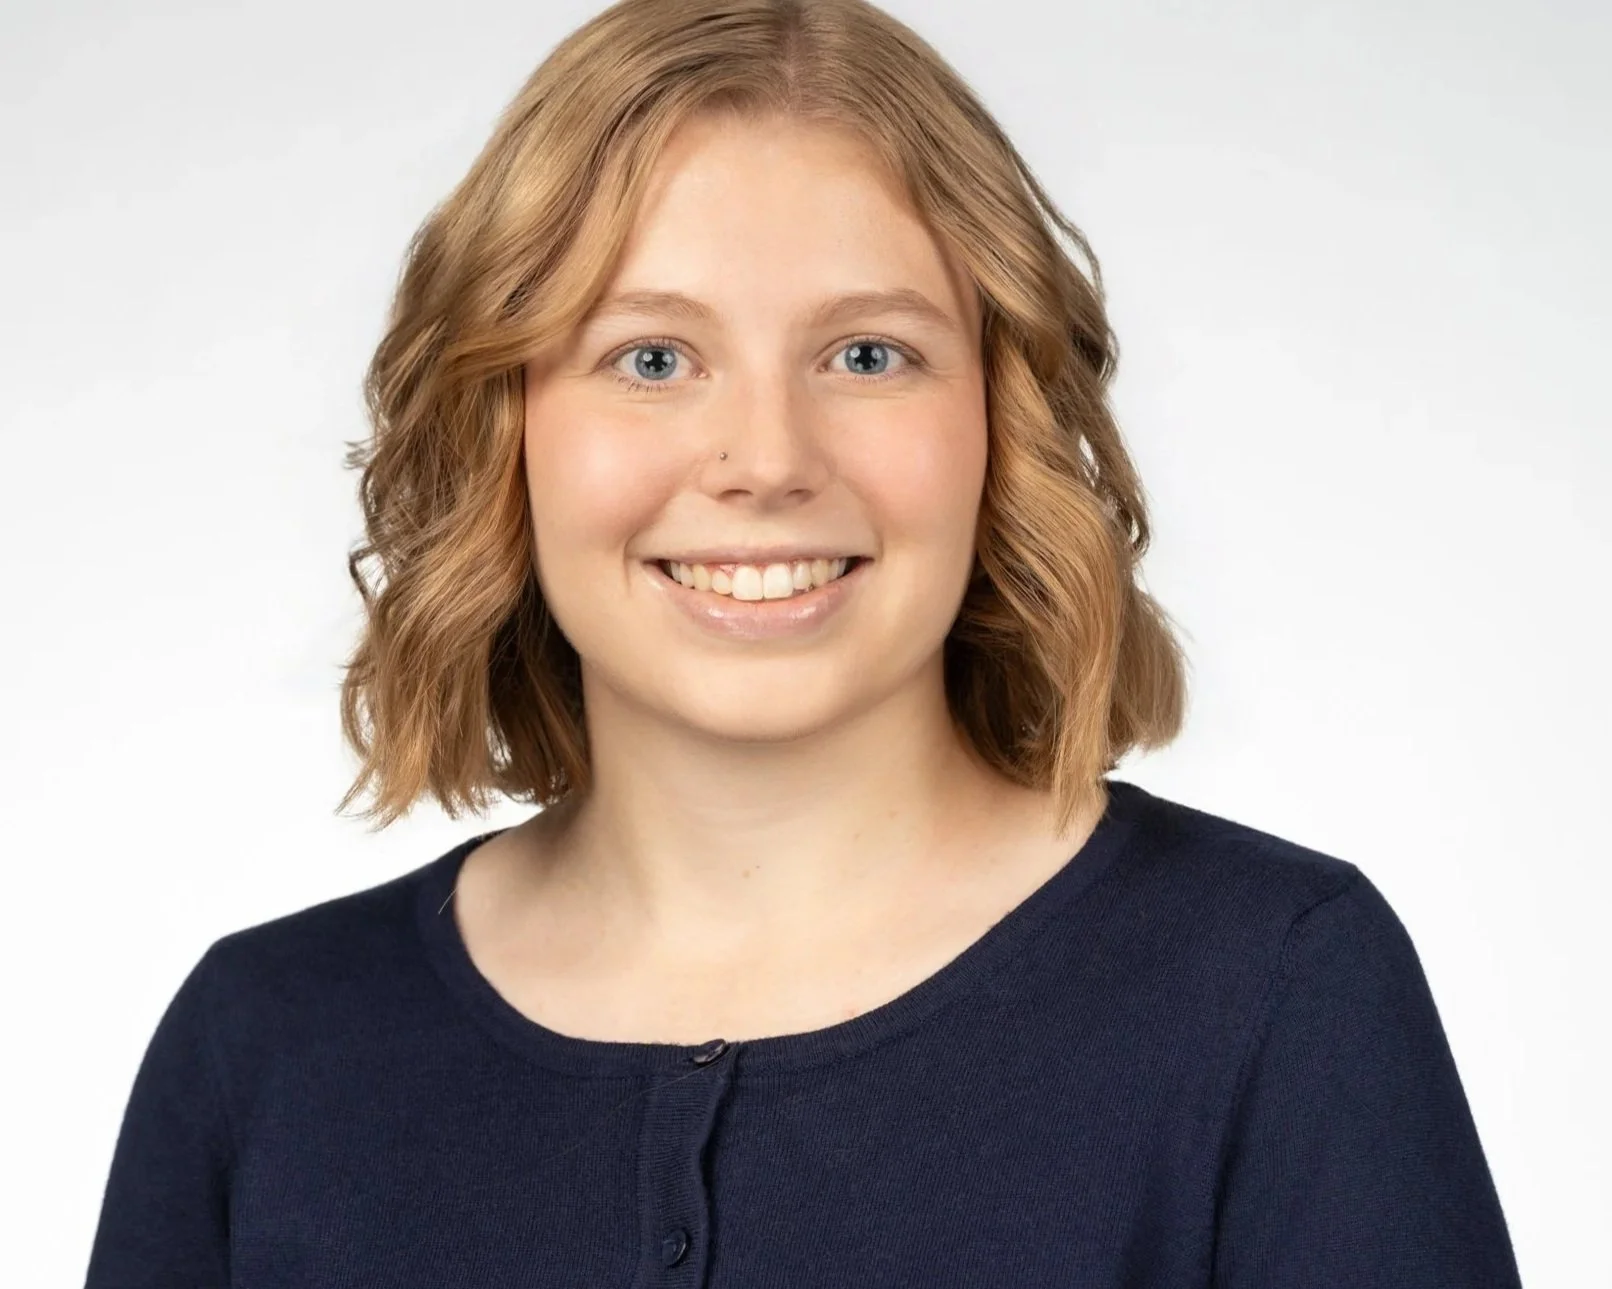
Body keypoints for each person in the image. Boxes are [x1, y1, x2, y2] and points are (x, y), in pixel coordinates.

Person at [84, 0, 1524, 1285]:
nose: (765, 459)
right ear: (500, 432)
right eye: (651, 357)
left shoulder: (1273, 991)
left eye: (868, 355)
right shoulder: (266, 1047)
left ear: (998, 423)